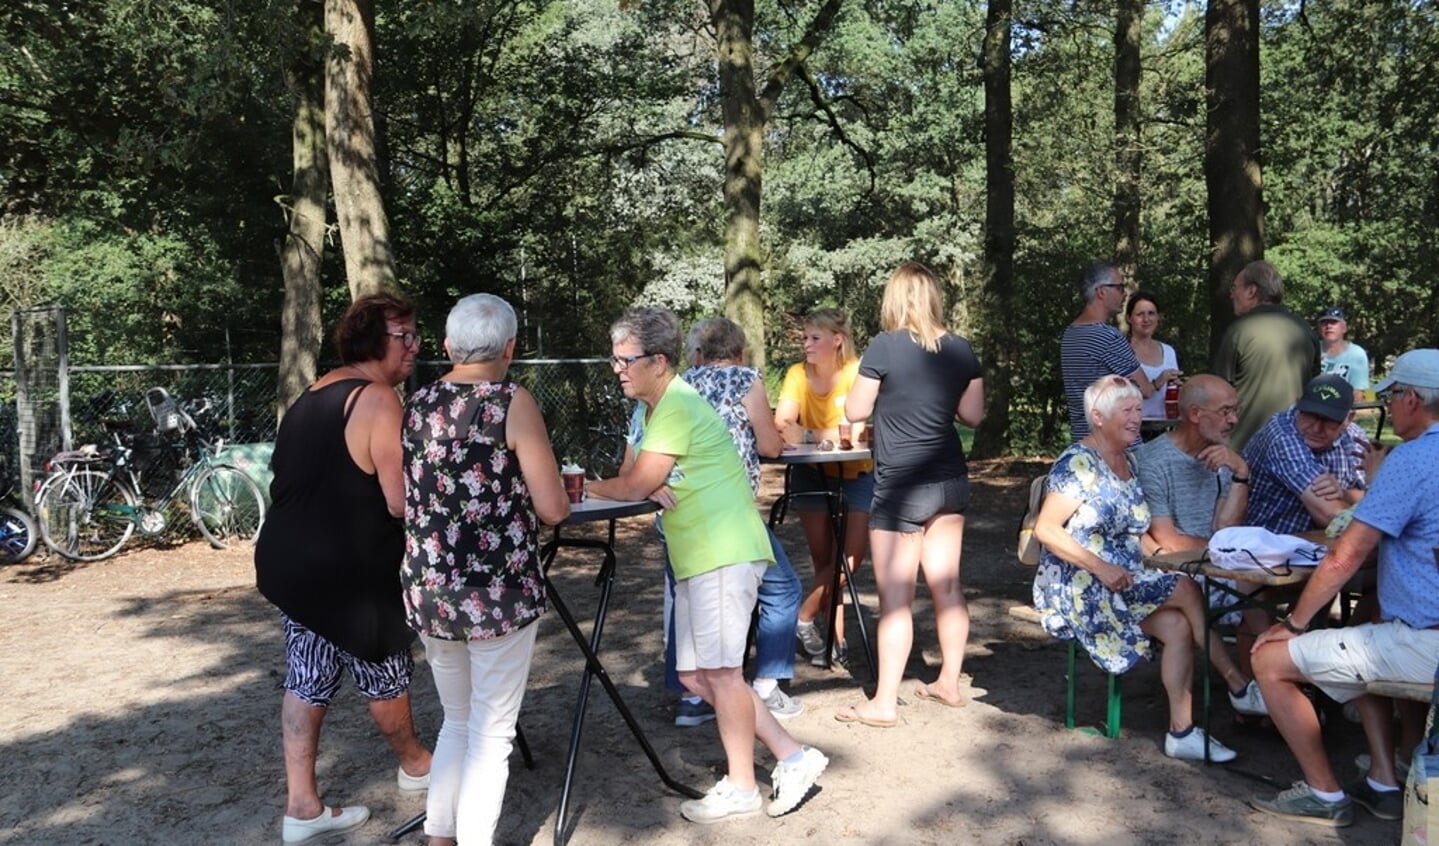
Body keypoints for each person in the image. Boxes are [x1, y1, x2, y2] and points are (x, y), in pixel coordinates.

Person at [587, 308, 827, 824]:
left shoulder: (674, 405)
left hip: (723, 552)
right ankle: (795, 756)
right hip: (701, 553)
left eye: (626, 359)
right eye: (615, 358)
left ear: (658, 360)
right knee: (698, 677)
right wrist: (646, 484)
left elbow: (631, 483)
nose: (617, 368)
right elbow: (642, 478)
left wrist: (581, 486)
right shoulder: (660, 407)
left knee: (721, 673)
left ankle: (744, 785)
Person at [255, 292, 432, 844]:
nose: (415, 347)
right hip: (347, 572)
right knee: (382, 665)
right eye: (405, 337)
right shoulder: (379, 400)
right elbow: (402, 502)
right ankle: (417, 765)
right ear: (375, 342)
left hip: (290, 565)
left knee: (308, 674)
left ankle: (302, 808)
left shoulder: (313, 394)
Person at [399, 294, 569, 846]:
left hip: (430, 587)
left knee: (457, 720)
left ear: (447, 346)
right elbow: (552, 508)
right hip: (496, 589)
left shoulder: (418, 402)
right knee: (492, 735)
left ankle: (439, 836)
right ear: (511, 348)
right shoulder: (510, 400)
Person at [1248, 348, 1439, 828]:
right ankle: (1385, 780)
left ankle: (1324, 795)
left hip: (1426, 644)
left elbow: (1345, 553)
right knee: (1369, 622)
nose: (1388, 406)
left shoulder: (1413, 460)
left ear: (1412, 399)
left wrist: (1293, 625)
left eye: (1392, 395)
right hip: (1415, 634)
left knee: (1268, 658)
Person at [1031, 375, 1243, 761]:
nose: (1136, 417)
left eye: (1138, 409)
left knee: (1178, 624)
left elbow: (1136, 530)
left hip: (1124, 579)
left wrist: (1158, 554)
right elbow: (1046, 529)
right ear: (1097, 416)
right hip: (1082, 586)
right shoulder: (1079, 463)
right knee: (1187, 590)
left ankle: (1182, 732)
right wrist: (1101, 568)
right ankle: (1238, 684)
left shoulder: (1127, 461)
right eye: (1126, 411)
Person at [832, 262, 984, 727]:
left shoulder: (884, 345)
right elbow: (973, 415)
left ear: (894, 299)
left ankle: (882, 703)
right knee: (948, 585)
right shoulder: (961, 348)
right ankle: (950, 683)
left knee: (896, 596)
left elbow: (856, 408)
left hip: (901, 485)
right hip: (950, 479)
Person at [664, 317, 805, 725]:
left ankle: (692, 696)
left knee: (684, 599)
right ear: (740, 352)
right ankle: (766, 685)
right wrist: (783, 437)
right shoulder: (745, 379)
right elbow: (768, 445)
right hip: (728, 512)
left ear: (697, 353)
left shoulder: (680, 384)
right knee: (782, 587)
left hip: (679, 507)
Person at [1134, 374, 1270, 696]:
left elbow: (1226, 528)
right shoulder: (1153, 462)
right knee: (1253, 586)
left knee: (1262, 587)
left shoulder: (1221, 455)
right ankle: (1261, 690)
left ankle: (1266, 692)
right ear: (1195, 414)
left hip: (1212, 566)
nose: (1234, 420)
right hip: (1175, 571)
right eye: (1225, 411)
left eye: (1235, 410)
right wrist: (1228, 553)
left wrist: (1241, 475)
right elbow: (1167, 541)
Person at [774, 308, 874, 666]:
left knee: (848, 561)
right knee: (824, 562)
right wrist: (826, 437)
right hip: (811, 473)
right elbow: (782, 423)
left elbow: (859, 433)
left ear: (837, 340)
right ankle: (836, 642)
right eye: (804, 337)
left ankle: (801, 618)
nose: (806, 344)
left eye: (814, 338)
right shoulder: (797, 374)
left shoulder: (857, 372)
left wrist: (810, 435)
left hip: (857, 473)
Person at [1243, 373, 1371, 535]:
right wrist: (1364, 502)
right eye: (1310, 415)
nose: (1316, 428)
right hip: (1268, 546)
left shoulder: (1355, 437)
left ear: (1348, 419)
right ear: (1298, 405)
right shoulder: (1282, 436)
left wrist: (1344, 494)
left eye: (1328, 420)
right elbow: (1330, 515)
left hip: (1317, 545)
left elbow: (1377, 498)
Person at [1211, 260, 1320, 450]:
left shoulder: (1239, 331)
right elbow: (1314, 387)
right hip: (1293, 446)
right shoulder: (1305, 329)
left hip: (1245, 445)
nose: (1231, 294)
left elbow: (1217, 392)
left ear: (1251, 291)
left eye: (1235, 287)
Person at [1060, 263, 1168, 441]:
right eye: (1119, 287)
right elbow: (1145, 390)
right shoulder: (1108, 337)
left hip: (1083, 440)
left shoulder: (1070, 333)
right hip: (1114, 443)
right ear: (1101, 292)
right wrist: (1159, 381)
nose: (1124, 293)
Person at [1125, 290, 1183, 420]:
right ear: (1129, 318)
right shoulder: (1121, 350)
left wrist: (1180, 388)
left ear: (1158, 317)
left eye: (1151, 313)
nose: (1146, 319)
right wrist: (1159, 381)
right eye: (1140, 314)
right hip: (1131, 429)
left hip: (1164, 428)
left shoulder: (1168, 351)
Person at [1317, 306, 1371, 398]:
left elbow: (1358, 393)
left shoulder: (1357, 354)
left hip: (1342, 409)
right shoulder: (1310, 349)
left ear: (1344, 328)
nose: (1329, 326)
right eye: (1324, 322)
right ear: (1319, 328)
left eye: (1334, 322)